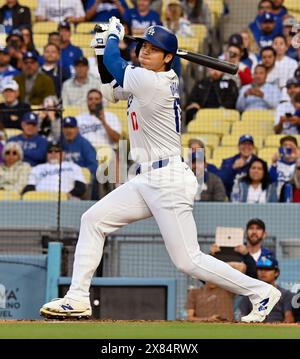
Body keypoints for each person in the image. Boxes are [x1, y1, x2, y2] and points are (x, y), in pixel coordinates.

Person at [40, 19, 281, 321]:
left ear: (168, 57)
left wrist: (112, 40)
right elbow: (112, 88)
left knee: (188, 261)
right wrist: (103, 50)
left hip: (168, 179)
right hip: (146, 178)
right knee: (93, 220)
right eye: (144, 46)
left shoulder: (154, 82)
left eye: (154, 50)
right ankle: (77, 298)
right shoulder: (145, 79)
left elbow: (117, 64)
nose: (145, 51)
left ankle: (262, 292)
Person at [239, 256, 295, 323]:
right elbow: (242, 316)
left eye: (267, 269)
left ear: (276, 273)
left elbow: (289, 318)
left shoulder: (286, 294)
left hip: (277, 329)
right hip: (255, 328)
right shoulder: (249, 294)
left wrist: (280, 326)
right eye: (260, 269)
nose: (263, 272)